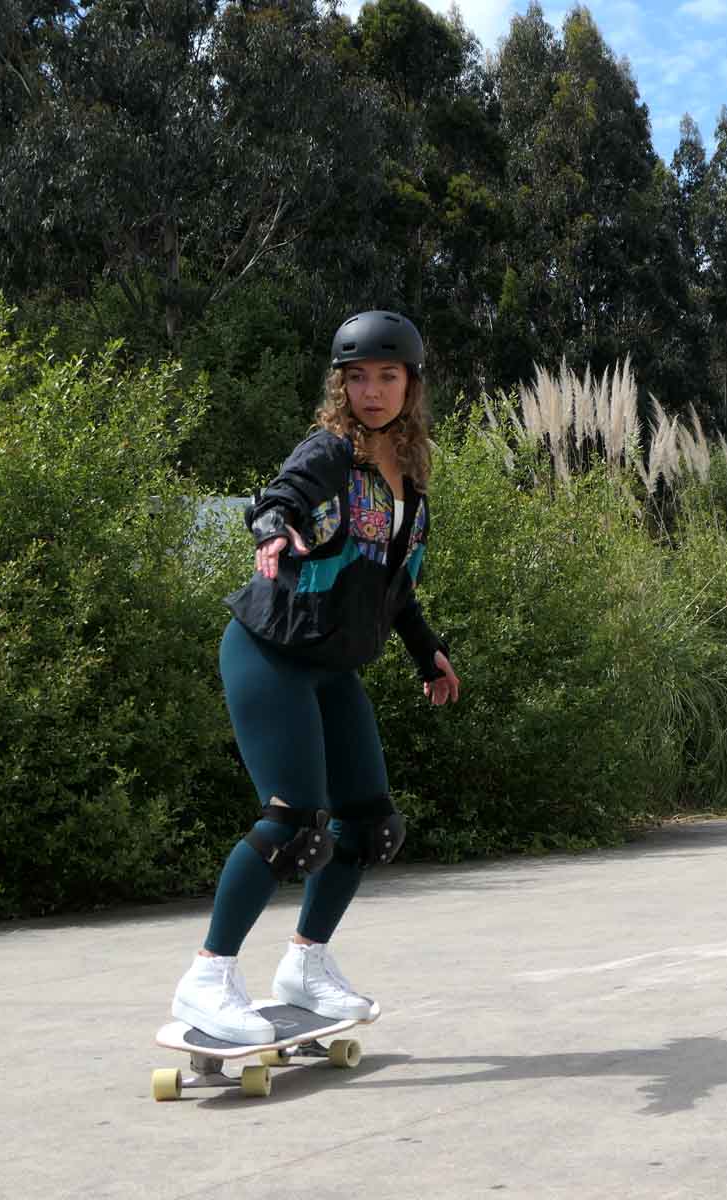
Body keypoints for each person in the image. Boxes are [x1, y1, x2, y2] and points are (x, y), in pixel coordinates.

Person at [170, 310, 461, 1042]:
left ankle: (305, 964)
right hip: (272, 652)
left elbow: (391, 585)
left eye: (387, 376)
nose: (371, 391)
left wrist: (426, 652)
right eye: (356, 377)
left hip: (332, 667)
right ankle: (206, 979)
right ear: (341, 385)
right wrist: (273, 529)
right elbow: (280, 496)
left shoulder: (411, 482)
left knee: (369, 825)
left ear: (411, 385)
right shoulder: (330, 453)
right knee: (292, 824)